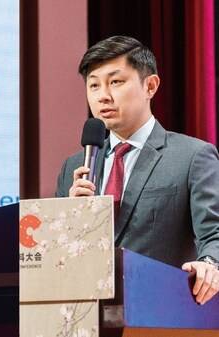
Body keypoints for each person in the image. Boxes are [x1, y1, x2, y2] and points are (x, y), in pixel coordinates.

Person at [56, 35, 219, 305]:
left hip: (163, 309)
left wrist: (210, 264)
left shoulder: (192, 157)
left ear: (150, 86)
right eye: (93, 85)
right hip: (85, 315)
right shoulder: (75, 167)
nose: (103, 96)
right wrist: (70, 219)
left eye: (116, 82)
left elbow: (214, 232)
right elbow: (60, 256)